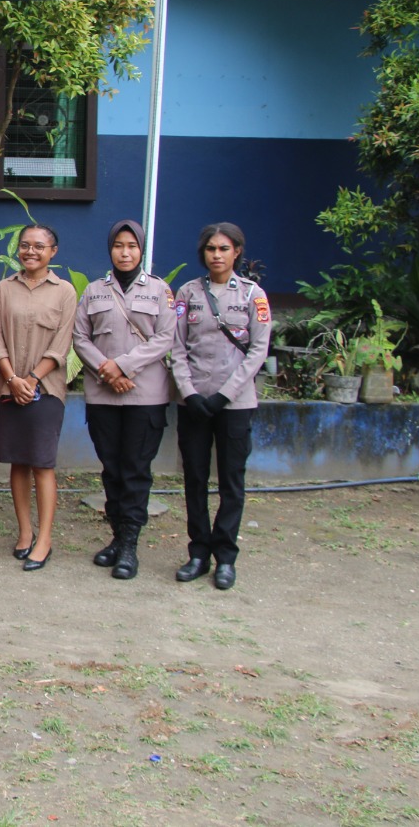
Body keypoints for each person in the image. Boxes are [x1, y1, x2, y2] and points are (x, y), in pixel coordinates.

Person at [72, 219, 176, 580]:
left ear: (141, 250)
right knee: (112, 469)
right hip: (103, 395)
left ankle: (130, 545)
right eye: (119, 245)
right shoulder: (94, 291)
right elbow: (80, 337)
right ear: (110, 249)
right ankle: (117, 538)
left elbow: (165, 337)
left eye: (132, 246)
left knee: (135, 470)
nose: (125, 252)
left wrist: (123, 366)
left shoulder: (160, 291)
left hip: (145, 396)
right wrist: (107, 370)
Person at [170, 222, 272, 591]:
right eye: (211, 248)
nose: (216, 255)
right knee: (195, 478)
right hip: (194, 403)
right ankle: (198, 552)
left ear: (237, 252)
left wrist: (224, 395)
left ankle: (225, 557)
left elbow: (258, 351)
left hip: (235, 404)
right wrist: (190, 393)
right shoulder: (188, 293)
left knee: (231, 481)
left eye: (224, 249)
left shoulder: (252, 295)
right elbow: (176, 346)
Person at [0, 224, 78, 572]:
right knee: (18, 462)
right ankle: (25, 532)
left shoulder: (64, 291)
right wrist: (12, 379)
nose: (30, 252)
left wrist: (32, 379)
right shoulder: (4, 289)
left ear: (53, 252)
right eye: (25, 245)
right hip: (10, 387)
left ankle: (45, 540)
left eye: (39, 246)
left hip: (47, 389)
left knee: (42, 463)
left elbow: (62, 343)